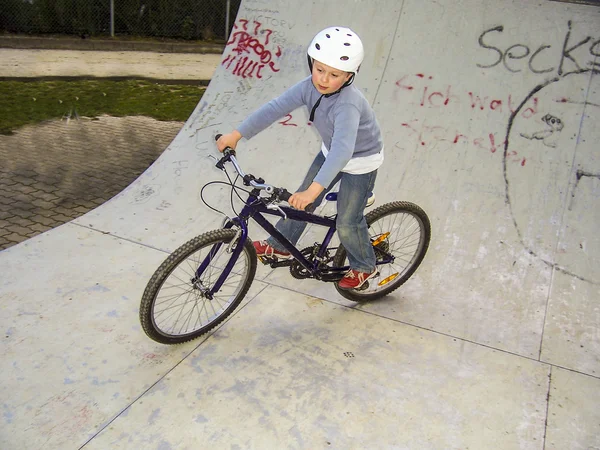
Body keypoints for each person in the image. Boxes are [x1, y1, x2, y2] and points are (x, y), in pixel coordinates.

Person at [217, 26, 384, 290]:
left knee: (347, 221)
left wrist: (313, 191)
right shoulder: (308, 87)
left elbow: (344, 151)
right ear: (311, 63)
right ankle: (281, 246)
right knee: (299, 203)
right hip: (330, 153)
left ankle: (365, 266)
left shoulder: (348, 104)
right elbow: (275, 108)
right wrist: (237, 134)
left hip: (360, 161)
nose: (324, 79)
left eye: (334, 74)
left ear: (350, 76)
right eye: (319, 69)